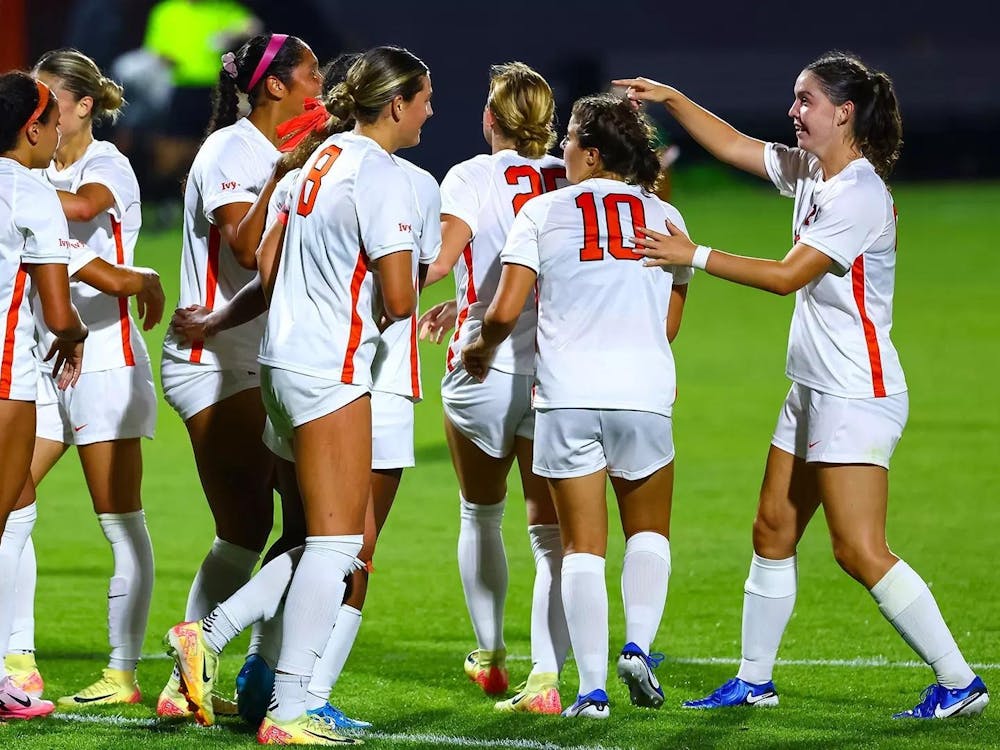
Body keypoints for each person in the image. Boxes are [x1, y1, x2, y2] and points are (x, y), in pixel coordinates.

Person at [616, 51, 989, 720]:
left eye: (804, 100)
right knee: (772, 530)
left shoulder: (860, 194)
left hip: (854, 391)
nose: (793, 111)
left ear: (843, 113)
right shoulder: (814, 171)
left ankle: (960, 681)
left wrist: (690, 255)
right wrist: (672, 99)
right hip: (814, 389)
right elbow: (732, 144)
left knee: (857, 548)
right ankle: (755, 681)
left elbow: (789, 275)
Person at [163, 45, 428, 745]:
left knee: (313, 534)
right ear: (395, 104)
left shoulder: (309, 162)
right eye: (424, 99)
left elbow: (269, 271)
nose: (429, 112)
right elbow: (399, 299)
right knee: (340, 545)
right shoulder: (383, 175)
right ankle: (288, 709)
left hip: (277, 367)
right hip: (330, 370)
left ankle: (210, 633)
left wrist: (223, 320)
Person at [462, 93, 691, 719]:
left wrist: (480, 350)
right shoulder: (668, 221)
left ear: (591, 154)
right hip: (643, 396)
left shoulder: (542, 213)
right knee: (648, 534)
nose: (559, 152)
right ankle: (638, 647)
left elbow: (505, 312)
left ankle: (591, 691)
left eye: (567, 143)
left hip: (565, 400)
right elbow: (668, 326)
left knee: (581, 547)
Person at [156, 31, 321, 718]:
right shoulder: (233, 150)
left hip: (261, 360)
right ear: (275, 85)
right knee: (252, 528)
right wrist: (286, 173)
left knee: (303, 524)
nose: (321, 84)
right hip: (215, 362)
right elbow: (250, 250)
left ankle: (238, 673)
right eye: (311, 74)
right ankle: (191, 673)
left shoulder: (286, 151)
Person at [2, 48, 167, 709]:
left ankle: (122, 672)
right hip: (41, 360)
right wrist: (121, 276)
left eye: (50, 99)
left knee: (119, 518)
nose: (41, 110)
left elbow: (77, 214)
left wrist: (26, 184)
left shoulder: (107, 167)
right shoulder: (29, 179)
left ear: (82, 106)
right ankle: (17, 655)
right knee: (13, 505)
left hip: (101, 359)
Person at [417, 62, 571, 714]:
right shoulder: (570, 177)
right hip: (555, 371)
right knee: (551, 532)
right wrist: (466, 301)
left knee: (480, 513)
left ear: (491, 118)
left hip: (481, 369)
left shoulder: (469, 176)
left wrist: (385, 290)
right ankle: (546, 678)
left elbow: (445, 259)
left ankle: (490, 655)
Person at [0, 71, 89, 721]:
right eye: (53, 120)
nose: (61, 130)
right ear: (31, 129)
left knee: (16, 509)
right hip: (5, 375)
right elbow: (58, 311)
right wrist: (76, 334)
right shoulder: (33, 191)